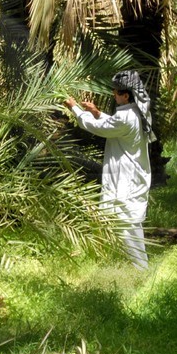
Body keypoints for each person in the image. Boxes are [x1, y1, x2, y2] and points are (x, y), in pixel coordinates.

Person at [65, 70, 155, 269]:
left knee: (126, 223)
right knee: (127, 221)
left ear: (126, 95)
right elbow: (113, 124)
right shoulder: (137, 111)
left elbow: (100, 128)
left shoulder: (125, 117)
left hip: (126, 178)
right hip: (132, 174)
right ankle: (128, 265)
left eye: (116, 92)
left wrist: (75, 109)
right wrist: (97, 113)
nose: (113, 95)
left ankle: (140, 268)